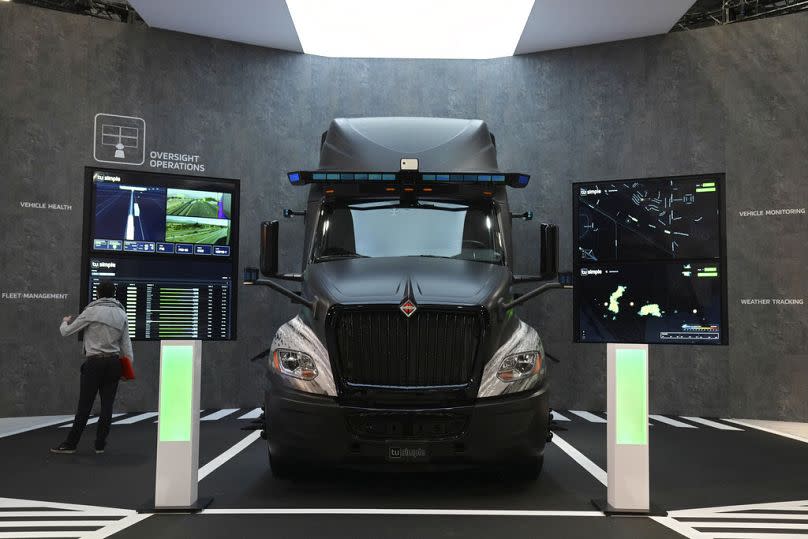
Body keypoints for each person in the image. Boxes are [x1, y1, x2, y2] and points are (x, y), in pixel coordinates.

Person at [51, 280, 133, 455]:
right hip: (113, 364)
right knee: (107, 406)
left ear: (97, 293)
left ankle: (70, 444)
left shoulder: (91, 311)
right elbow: (126, 345)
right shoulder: (121, 313)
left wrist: (64, 322)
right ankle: (100, 444)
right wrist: (127, 369)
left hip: (94, 363)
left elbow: (66, 332)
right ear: (113, 293)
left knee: (84, 406)